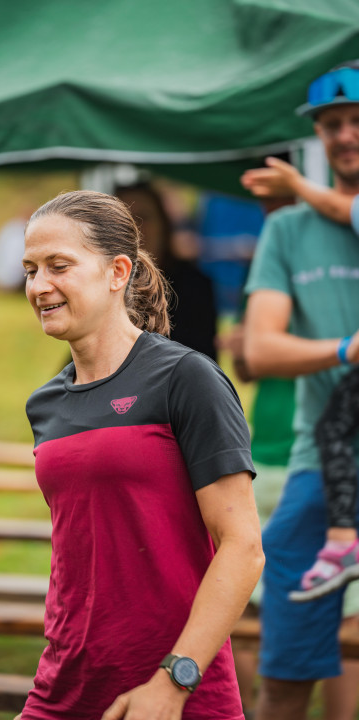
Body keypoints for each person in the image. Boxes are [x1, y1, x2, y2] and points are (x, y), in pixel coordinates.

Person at [15, 189, 264, 720]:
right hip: (65, 685)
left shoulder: (186, 378)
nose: (39, 286)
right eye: (30, 270)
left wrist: (173, 681)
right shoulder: (45, 404)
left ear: (118, 272)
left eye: (59, 266)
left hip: (174, 692)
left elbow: (243, 547)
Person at [242, 60, 359, 720]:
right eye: (331, 123)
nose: (345, 135)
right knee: (285, 674)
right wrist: (344, 350)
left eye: (357, 120)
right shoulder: (288, 230)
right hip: (322, 466)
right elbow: (260, 348)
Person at [243, 155, 359, 603]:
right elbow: (255, 357)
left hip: (295, 453)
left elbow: (342, 207)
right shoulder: (287, 235)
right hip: (288, 452)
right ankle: (342, 541)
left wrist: (297, 184)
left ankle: (342, 542)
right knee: (332, 428)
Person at [115, 182, 218, 359]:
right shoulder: (103, 285)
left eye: (143, 217)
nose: (135, 228)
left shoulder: (193, 286)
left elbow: (197, 359)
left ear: (163, 225)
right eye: (125, 219)